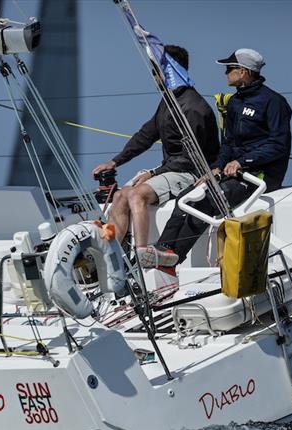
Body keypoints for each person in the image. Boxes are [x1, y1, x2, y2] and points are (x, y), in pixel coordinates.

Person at [154, 48, 292, 271]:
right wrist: (214, 168)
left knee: (209, 200)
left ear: (244, 72)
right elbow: (228, 143)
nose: (225, 73)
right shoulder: (235, 103)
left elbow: (279, 145)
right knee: (186, 196)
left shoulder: (273, 102)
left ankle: (175, 256)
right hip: (232, 173)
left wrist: (243, 162)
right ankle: (164, 249)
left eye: (230, 68)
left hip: (261, 175)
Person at [91, 44, 219, 267]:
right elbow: (146, 135)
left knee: (136, 195)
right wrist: (115, 161)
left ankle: (143, 253)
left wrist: (153, 173)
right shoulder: (168, 101)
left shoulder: (193, 107)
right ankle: (111, 255)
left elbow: (191, 158)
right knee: (120, 196)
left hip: (190, 174)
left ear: (171, 71)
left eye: (156, 70)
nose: (153, 76)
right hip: (170, 170)